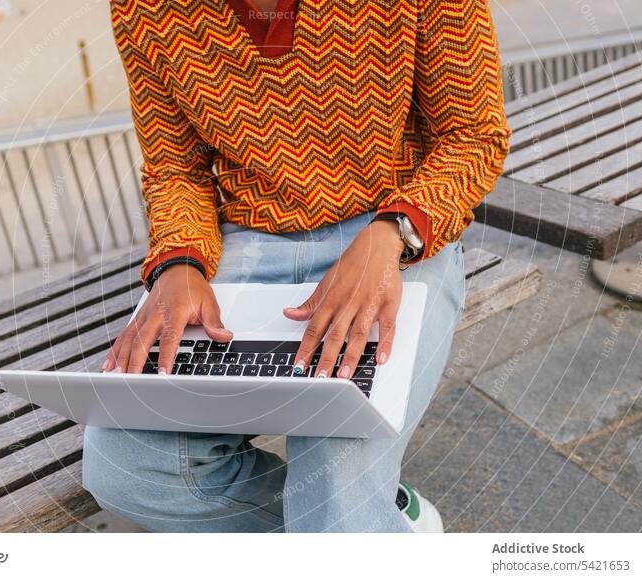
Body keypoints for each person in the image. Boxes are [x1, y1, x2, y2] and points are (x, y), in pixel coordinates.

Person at [83, 0, 511, 532]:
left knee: (336, 478)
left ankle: (357, 521)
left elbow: (473, 137)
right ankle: (379, 525)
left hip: (395, 228)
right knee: (130, 473)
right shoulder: (142, 8)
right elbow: (176, 168)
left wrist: (391, 234)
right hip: (245, 236)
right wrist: (180, 260)